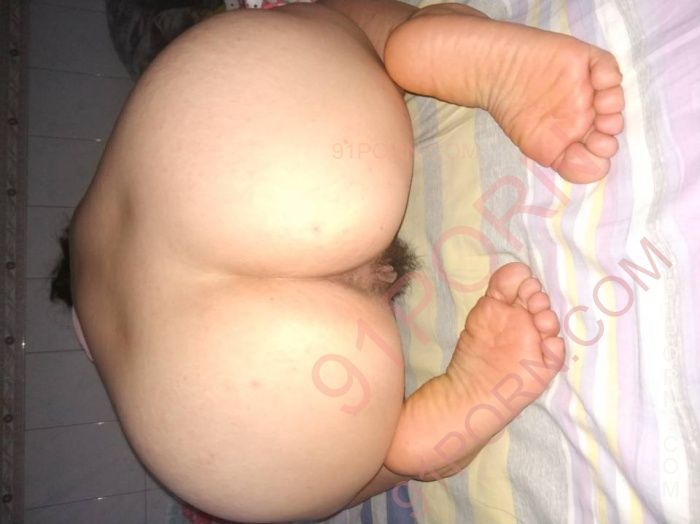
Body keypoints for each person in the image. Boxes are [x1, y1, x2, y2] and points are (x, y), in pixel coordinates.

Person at [51, 0, 624, 521]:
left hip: (245, 404)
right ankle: (409, 39)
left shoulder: (98, 330)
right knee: (333, 23)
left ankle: (398, 455)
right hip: (253, 157)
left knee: (275, 489)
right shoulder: (93, 215)